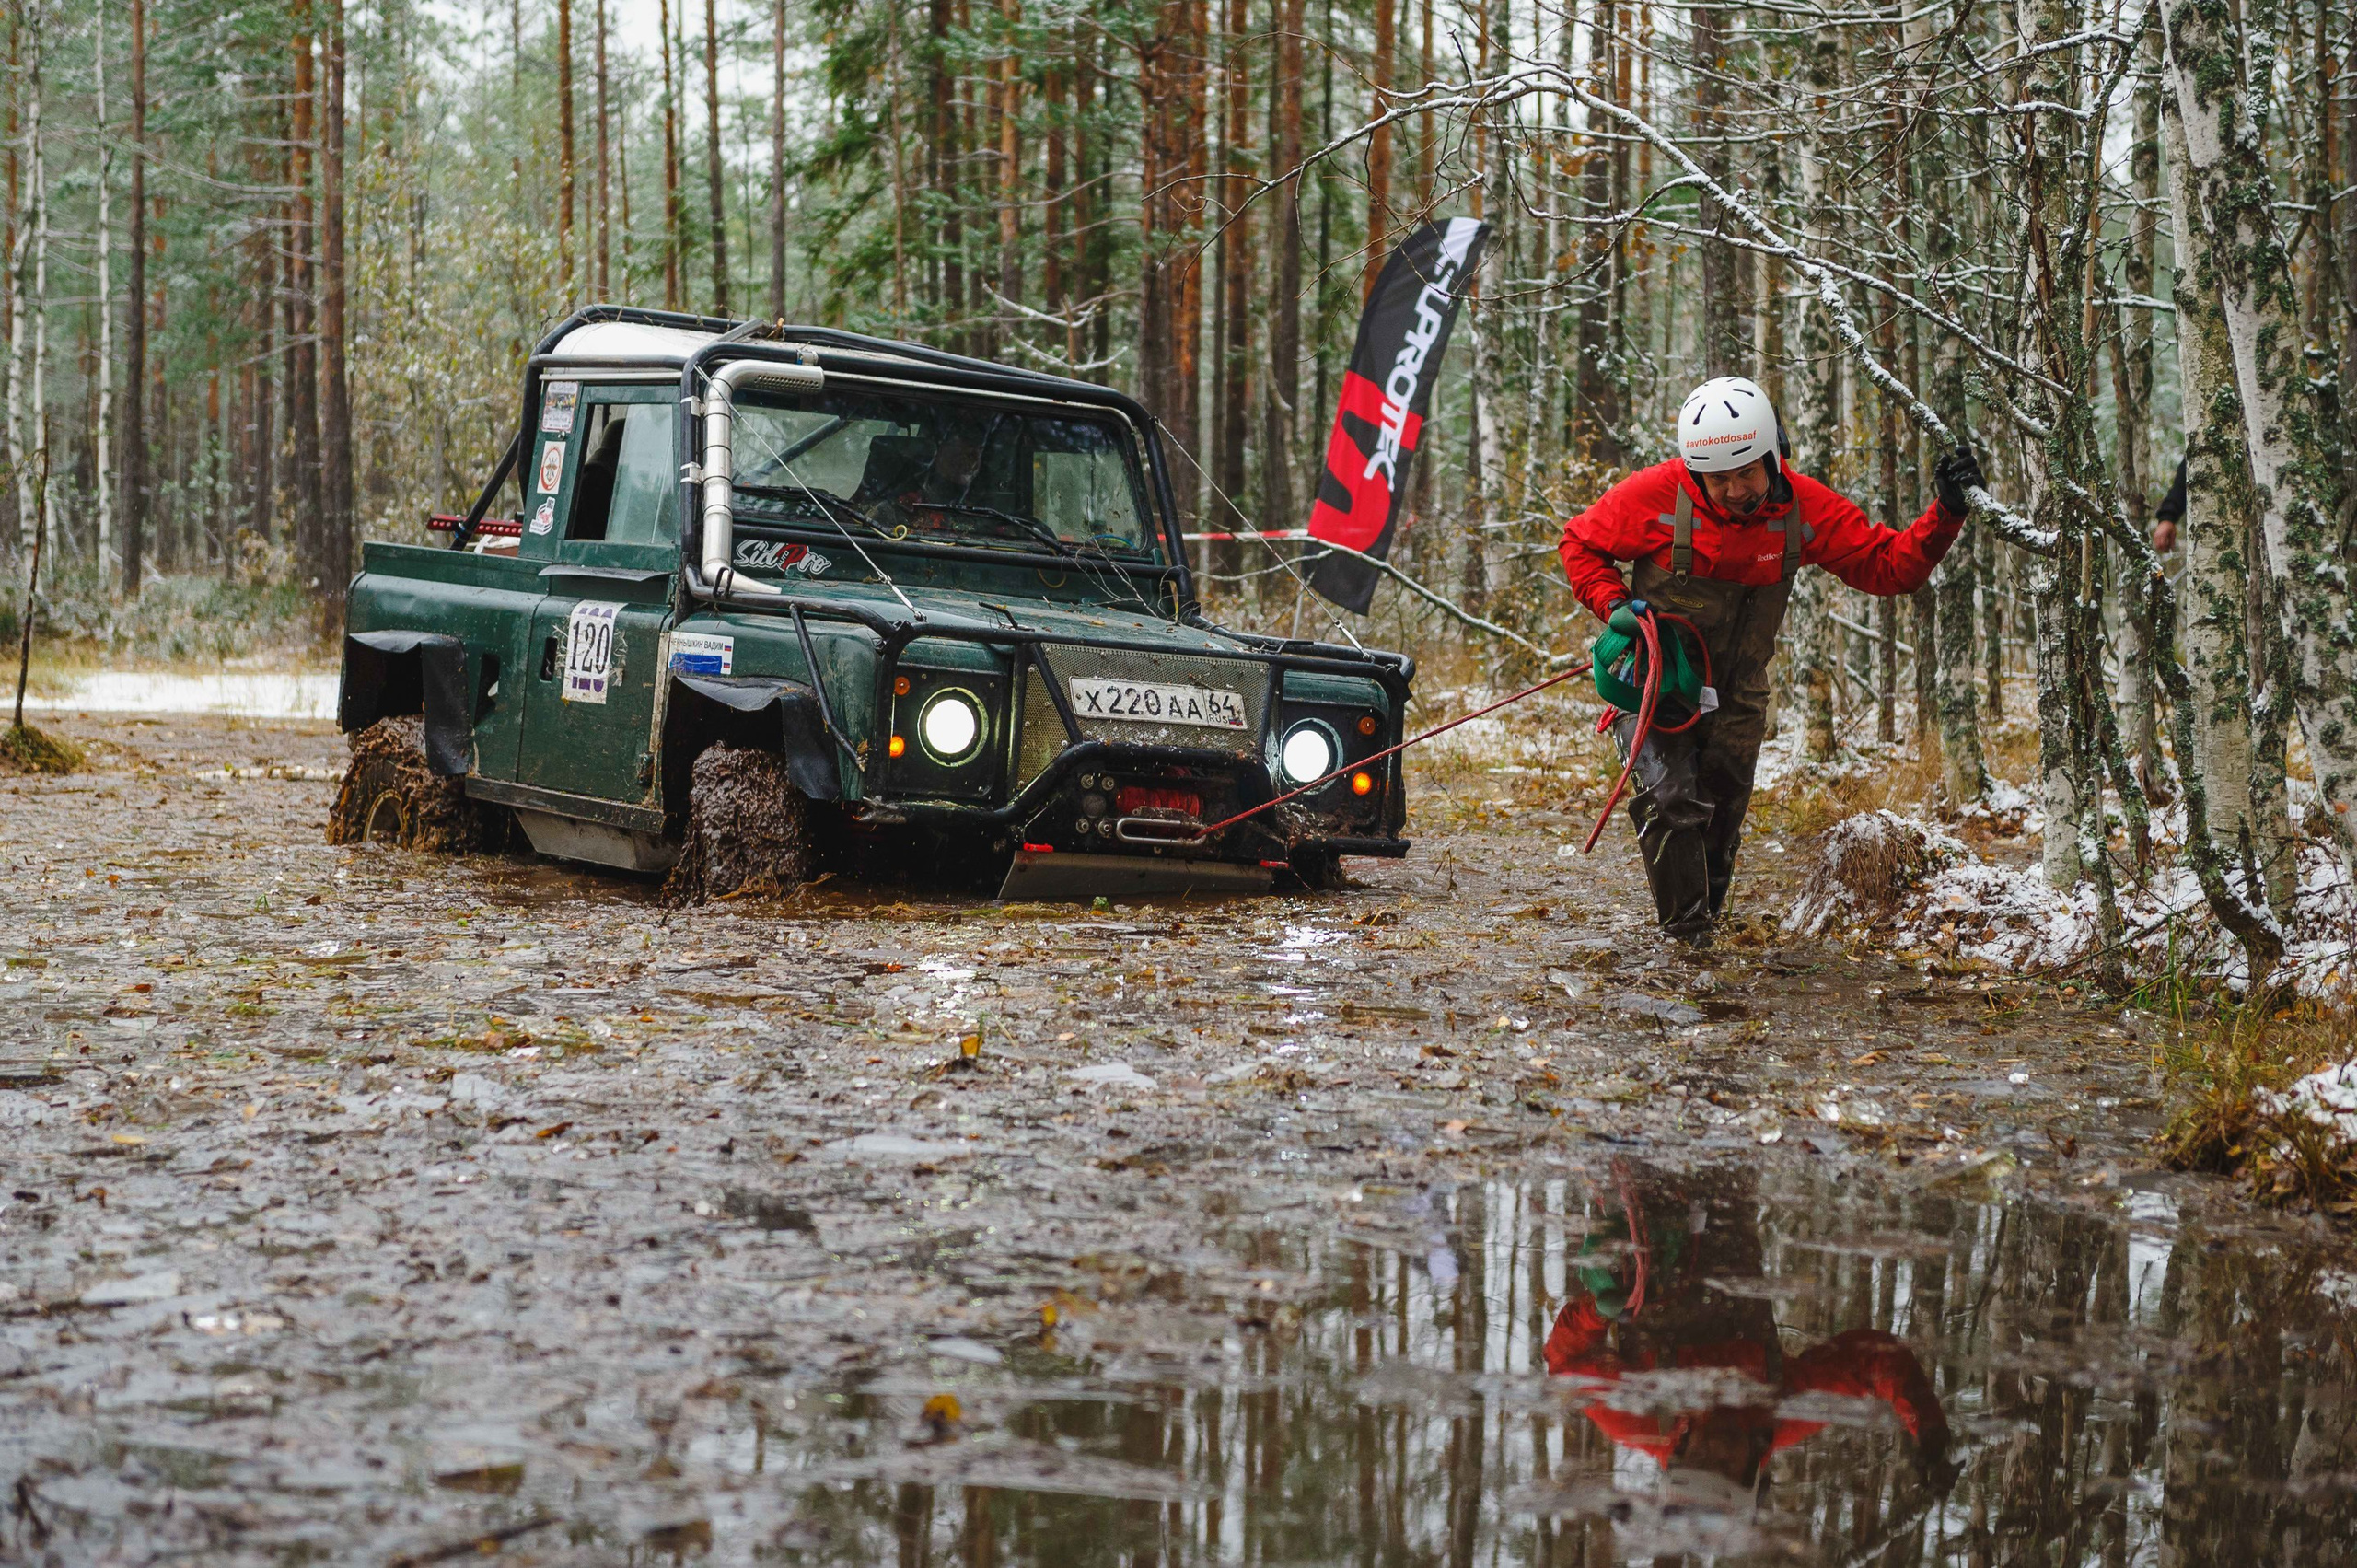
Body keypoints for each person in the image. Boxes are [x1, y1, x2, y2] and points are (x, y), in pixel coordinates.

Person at [1558, 377, 1979, 945]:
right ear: (1692, 468)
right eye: (1718, 477)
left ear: (1773, 456)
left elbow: (1890, 568)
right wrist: (1614, 606)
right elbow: (1580, 543)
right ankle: (1687, 944)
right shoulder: (1652, 495)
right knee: (1671, 800)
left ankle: (1702, 920)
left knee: (1720, 816)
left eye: (1746, 473)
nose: (1734, 490)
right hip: (1655, 680)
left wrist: (1946, 513)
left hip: (1739, 693)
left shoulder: (1804, 508)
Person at [1541, 1160, 1951, 1498]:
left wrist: (1598, 1311)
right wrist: (1927, 1425)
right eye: (1725, 1466)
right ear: (1750, 1469)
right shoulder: (1781, 1411)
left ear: (1682, 1456)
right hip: (1727, 1211)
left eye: (1706, 1462)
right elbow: (1871, 1361)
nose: (1718, 1450)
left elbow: (1565, 1366)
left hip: (1641, 1225)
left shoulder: (1642, 1420)